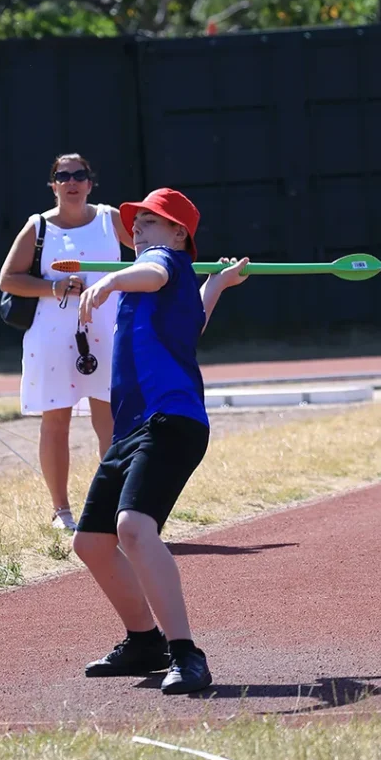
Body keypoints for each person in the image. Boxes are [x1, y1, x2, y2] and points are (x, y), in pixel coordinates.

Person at [72, 188, 249, 694]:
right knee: (91, 542)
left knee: (132, 527)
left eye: (151, 222)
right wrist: (216, 284)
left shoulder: (158, 263)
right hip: (134, 428)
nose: (139, 232)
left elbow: (153, 269)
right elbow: (190, 322)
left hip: (170, 421)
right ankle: (143, 641)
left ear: (179, 235)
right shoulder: (168, 291)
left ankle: (186, 653)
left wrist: (109, 280)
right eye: (138, 223)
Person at [0, 154, 133, 531]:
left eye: (79, 175)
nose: (72, 181)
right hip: (54, 334)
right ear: (53, 184)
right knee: (55, 421)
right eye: (63, 175)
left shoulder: (111, 219)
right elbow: (8, 279)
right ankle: (61, 511)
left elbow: (149, 253)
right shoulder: (38, 226)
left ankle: (113, 509)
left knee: (110, 419)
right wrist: (52, 287)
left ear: (90, 182)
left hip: (106, 331)